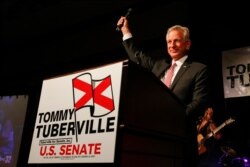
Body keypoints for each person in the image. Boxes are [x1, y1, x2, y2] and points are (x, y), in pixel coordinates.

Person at [117, 16, 211, 166]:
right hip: (153, 138)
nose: (172, 45)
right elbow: (137, 57)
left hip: (180, 140)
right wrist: (125, 31)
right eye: (169, 42)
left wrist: (170, 119)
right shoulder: (159, 66)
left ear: (187, 44)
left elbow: (199, 102)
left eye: (176, 41)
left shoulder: (198, 69)